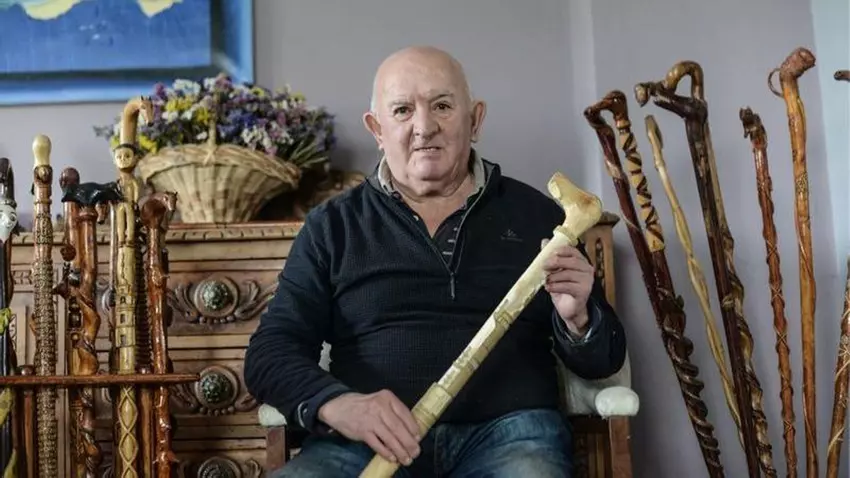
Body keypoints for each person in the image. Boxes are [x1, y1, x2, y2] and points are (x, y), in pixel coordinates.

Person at [244, 45, 627, 478]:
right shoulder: (332, 226)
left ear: (475, 120)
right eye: (403, 110)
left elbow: (604, 360)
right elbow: (270, 353)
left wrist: (579, 321)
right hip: (364, 444)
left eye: (442, 106)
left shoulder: (539, 217)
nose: (424, 127)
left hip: (512, 436)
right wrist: (339, 404)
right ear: (377, 129)